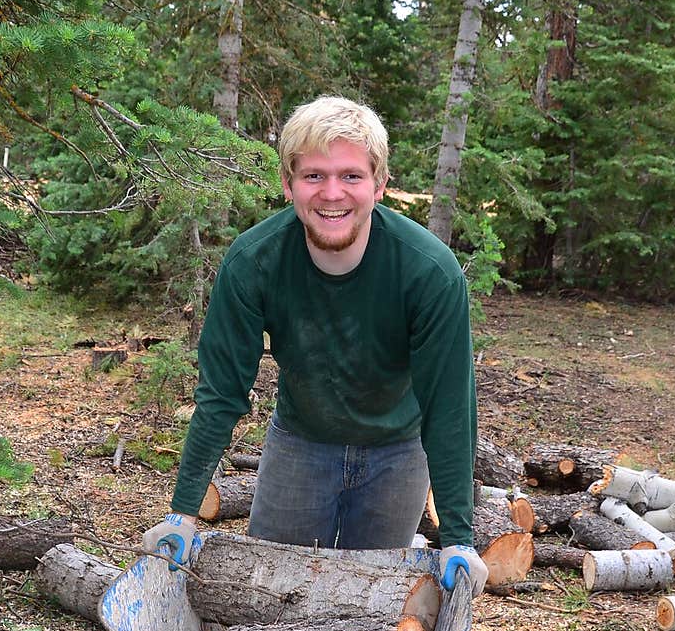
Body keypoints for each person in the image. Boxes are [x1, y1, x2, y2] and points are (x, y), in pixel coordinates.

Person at [142, 95, 488, 595]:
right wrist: (183, 513)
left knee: (371, 608)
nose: (332, 194)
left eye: (351, 176)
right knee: (268, 601)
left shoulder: (428, 272)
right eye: (313, 176)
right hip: (299, 444)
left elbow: (450, 407)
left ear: (380, 184)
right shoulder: (254, 263)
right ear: (287, 184)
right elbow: (221, 393)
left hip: (398, 451)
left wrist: (457, 537)